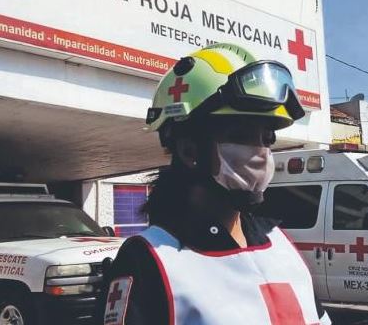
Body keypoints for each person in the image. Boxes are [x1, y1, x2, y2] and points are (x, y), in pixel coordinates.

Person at [99, 43, 331, 325]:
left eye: (267, 138)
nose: (261, 153)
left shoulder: (279, 242)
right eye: (242, 135)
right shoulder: (150, 261)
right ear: (189, 151)